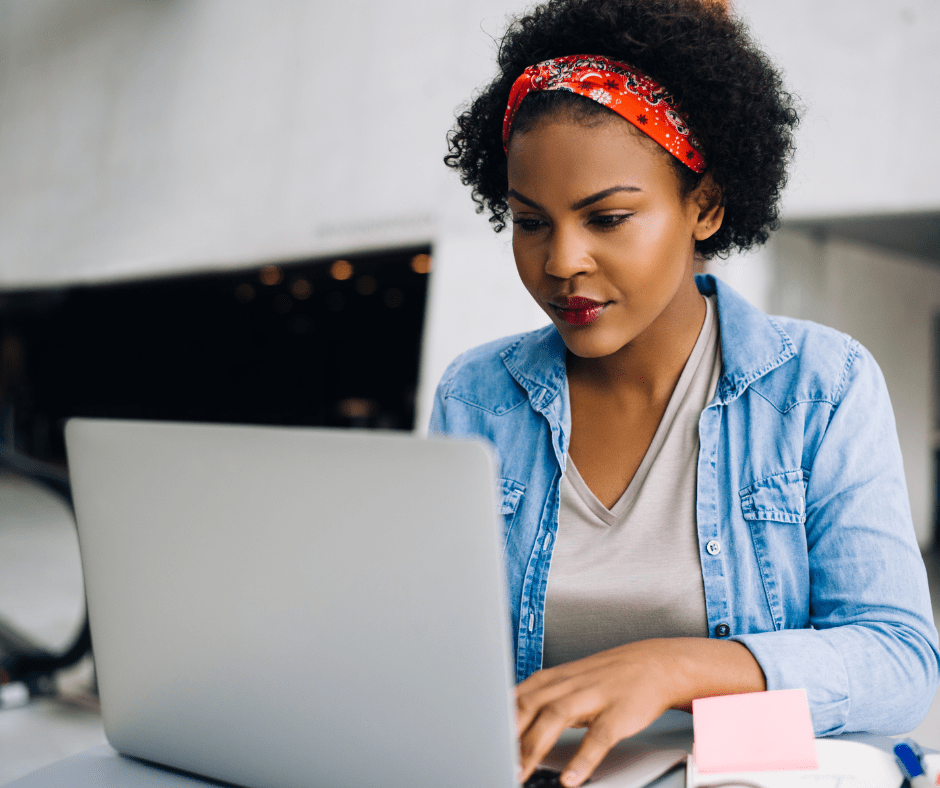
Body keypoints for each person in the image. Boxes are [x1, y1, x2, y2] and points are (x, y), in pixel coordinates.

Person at [429, 0, 940, 785]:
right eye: (530, 222)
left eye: (608, 217)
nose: (562, 261)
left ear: (703, 207)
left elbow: (901, 663)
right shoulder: (478, 396)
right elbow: (437, 655)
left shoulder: (819, 386)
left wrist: (679, 668)